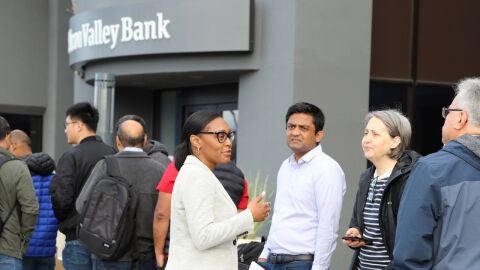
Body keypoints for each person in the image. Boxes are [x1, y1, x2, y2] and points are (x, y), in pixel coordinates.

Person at [165, 111, 270, 270]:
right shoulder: (196, 175)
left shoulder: (200, 173)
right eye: (220, 136)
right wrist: (249, 216)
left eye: (229, 136)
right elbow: (204, 236)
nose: (228, 143)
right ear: (196, 141)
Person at [393, 77, 480, 269]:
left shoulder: (432, 170)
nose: (445, 117)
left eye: (448, 112)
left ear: (460, 118)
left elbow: (409, 257)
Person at [258, 102, 346, 270]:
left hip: (302, 263)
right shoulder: (285, 166)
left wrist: (319, 268)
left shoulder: (327, 169)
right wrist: (264, 255)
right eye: (291, 126)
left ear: (319, 135)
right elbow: (280, 217)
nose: (295, 132)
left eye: (303, 128)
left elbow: (328, 227)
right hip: (271, 260)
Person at [76, 115, 165, 269]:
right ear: (144, 140)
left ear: (118, 141)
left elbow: (81, 205)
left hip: (108, 252)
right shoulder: (159, 170)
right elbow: (165, 214)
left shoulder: (105, 166)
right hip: (145, 255)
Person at [342, 110, 421, 269]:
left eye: (375, 134)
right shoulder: (366, 179)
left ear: (395, 141)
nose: (367, 139)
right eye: (366, 133)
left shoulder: (410, 180)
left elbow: (413, 239)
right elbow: (357, 224)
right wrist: (355, 232)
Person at [49, 102, 115, 269]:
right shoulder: (113, 154)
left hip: (77, 235)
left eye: (67, 125)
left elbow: (61, 198)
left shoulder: (71, 156)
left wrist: (66, 222)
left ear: (78, 126)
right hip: (107, 237)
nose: (65, 130)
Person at [153, 159, 250, 268]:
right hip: (220, 259)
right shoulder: (239, 176)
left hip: (183, 257)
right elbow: (238, 221)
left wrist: (158, 252)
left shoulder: (180, 168)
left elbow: (162, 213)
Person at [9, 129, 58, 270]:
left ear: (14, 145)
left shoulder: (16, 173)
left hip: (22, 249)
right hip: (47, 249)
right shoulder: (53, 174)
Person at [0, 117, 39, 269]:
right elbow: (31, 209)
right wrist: (23, 240)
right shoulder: (18, 167)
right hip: (9, 248)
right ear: (8, 137)